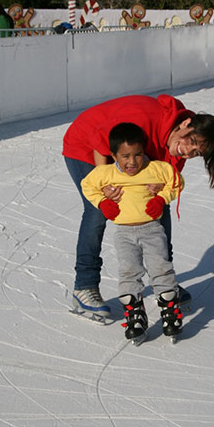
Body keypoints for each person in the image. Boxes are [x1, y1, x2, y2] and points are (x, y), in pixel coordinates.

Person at [62, 94, 214, 317]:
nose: (188, 152)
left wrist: (158, 193)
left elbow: (168, 185)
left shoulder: (178, 148)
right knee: (98, 210)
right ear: (186, 124)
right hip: (87, 144)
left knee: (158, 208)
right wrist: (107, 187)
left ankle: (165, 281)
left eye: (196, 152)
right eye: (192, 142)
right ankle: (85, 286)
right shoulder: (144, 119)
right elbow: (100, 141)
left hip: (128, 155)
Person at [81, 123, 184, 340]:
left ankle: (169, 310)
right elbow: (87, 185)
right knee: (129, 272)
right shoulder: (105, 173)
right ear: (114, 155)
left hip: (152, 230)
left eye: (138, 155)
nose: (132, 161)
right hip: (124, 233)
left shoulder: (155, 168)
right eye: (125, 156)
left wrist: (161, 198)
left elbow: (176, 181)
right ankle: (135, 314)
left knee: (160, 268)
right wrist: (102, 202)